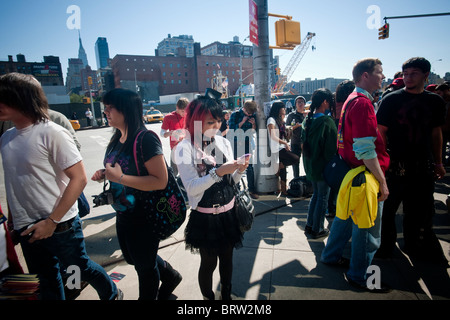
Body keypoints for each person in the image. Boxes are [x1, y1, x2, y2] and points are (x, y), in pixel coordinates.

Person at [0, 72, 120, 300]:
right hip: (27, 228)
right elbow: (14, 184)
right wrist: (13, 221)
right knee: (44, 280)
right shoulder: (6, 138)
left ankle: (112, 294)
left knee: (79, 268)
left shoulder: (52, 132)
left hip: (61, 224)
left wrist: (52, 221)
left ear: (22, 98)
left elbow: (79, 178)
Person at [91, 88, 182, 300]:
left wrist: (119, 178)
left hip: (145, 215)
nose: (106, 111)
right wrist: (106, 174)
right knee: (134, 258)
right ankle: (170, 275)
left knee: (145, 269)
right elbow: (124, 169)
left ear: (126, 109)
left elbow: (160, 181)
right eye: (105, 107)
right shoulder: (117, 138)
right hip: (124, 212)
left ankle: (163, 284)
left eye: (110, 107)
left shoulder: (146, 139)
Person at [320, 58, 391, 293]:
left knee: (345, 218)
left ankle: (330, 256)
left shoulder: (352, 99)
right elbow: (365, 149)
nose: (382, 76)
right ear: (365, 76)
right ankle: (360, 276)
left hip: (352, 172)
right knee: (367, 229)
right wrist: (382, 181)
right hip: (364, 173)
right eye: (379, 72)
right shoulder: (362, 103)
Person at [175, 89, 249, 300]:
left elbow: (231, 182)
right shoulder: (185, 148)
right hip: (205, 216)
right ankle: (209, 298)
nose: (216, 127)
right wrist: (218, 172)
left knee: (227, 259)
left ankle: (225, 295)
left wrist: (239, 171)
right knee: (208, 263)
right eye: (210, 122)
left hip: (229, 213)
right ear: (196, 120)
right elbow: (191, 187)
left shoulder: (224, 143)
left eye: (218, 121)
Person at [376, 57, 447, 263]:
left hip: (423, 167)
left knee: (418, 211)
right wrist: (382, 163)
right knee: (387, 211)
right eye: (405, 73)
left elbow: (436, 134)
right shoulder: (391, 100)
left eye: (413, 73)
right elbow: (381, 133)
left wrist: (439, 162)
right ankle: (386, 247)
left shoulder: (435, 102)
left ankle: (414, 245)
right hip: (395, 166)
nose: (408, 77)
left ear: (426, 75)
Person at [302, 88, 337, 239]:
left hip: (311, 167)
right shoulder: (327, 122)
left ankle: (310, 225)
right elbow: (331, 150)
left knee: (316, 196)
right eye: (330, 101)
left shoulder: (307, 121)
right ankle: (317, 229)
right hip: (323, 167)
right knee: (322, 197)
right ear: (324, 102)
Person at [267, 101, 300, 196]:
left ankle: (283, 190)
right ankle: (279, 166)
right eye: (283, 108)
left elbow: (283, 133)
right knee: (295, 158)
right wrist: (285, 143)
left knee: (283, 169)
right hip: (276, 148)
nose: (285, 110)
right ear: (278, 109)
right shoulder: (271, 120)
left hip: (281, 146)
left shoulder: (281, 120)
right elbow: (272, 136)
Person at [228, 100, 258, 199]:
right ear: (244, 109)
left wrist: (254, 125)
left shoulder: (252, 116)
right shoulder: (235, 115)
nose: (250, 115)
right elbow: (232, 129)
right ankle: (236, 189)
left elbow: (253, 131)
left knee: (249, 167)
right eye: (248, 113)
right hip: (236, 143)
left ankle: (251, 190)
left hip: (246, 142)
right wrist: (242, 122)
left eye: (251, 113)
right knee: (237, 166)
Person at [160, 97, 189, 176]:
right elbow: (162, 133)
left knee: (188, 171)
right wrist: (170, 133)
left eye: (186, 111)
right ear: (177, 108)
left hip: (187, 147)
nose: (184, 113)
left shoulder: (188, 115)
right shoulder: (168, 117)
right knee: (174, 172)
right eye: (182, 111)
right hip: (175, 148)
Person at [286, 96, 306, 178]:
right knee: (295, 163)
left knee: (307, 162)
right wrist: (295, 127)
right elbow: (286, 128)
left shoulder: (307, 114)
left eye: (302, 102)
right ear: (295, 104)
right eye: (298, 102)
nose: (300, 104)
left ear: (304, 104)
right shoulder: (292, 115)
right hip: (295, 142)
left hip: (306, 143)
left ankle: (308, 182)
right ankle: (296, 180)